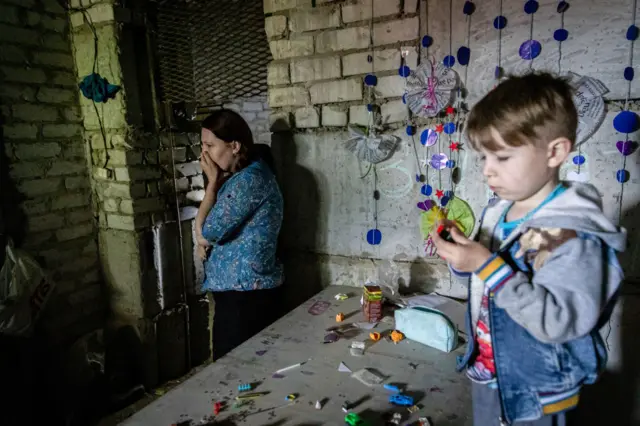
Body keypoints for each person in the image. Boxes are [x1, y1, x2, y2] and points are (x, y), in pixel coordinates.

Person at [431, 72, 626, 425]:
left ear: (555, 152)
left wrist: (486, 264)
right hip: (491, 373)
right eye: (483, 159)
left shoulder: (570, 233)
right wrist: (462, 257)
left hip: (538, 388)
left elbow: (556, 321)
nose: (488, 172)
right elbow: (485, 283)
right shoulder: (499, 211)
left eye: (502, 158)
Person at [195, 109, 284, 361]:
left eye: (210, 145)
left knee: (232, 373)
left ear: (234, 146)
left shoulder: (249, 180)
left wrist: (212, 183)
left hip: (245, 298)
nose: (205, 154)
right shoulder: (240, 177)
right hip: (240, 294)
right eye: (203, 145)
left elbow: (207, 232)